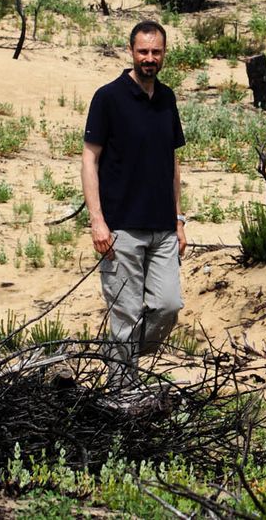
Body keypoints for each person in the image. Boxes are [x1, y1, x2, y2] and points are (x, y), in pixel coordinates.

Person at [81, 19, 187, 389]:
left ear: (164, 54)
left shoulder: (167, 98)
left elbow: (173, 162)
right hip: (121, 228)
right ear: (131, 51)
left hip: (162, 227)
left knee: (168, 306)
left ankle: (120, 362)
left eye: (156, 52)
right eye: (143, 51)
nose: (149, 58)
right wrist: (97, 220)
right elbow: (89, 158)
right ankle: (121, 392)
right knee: (124, 314)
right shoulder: (108, 97)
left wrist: (179, 219)